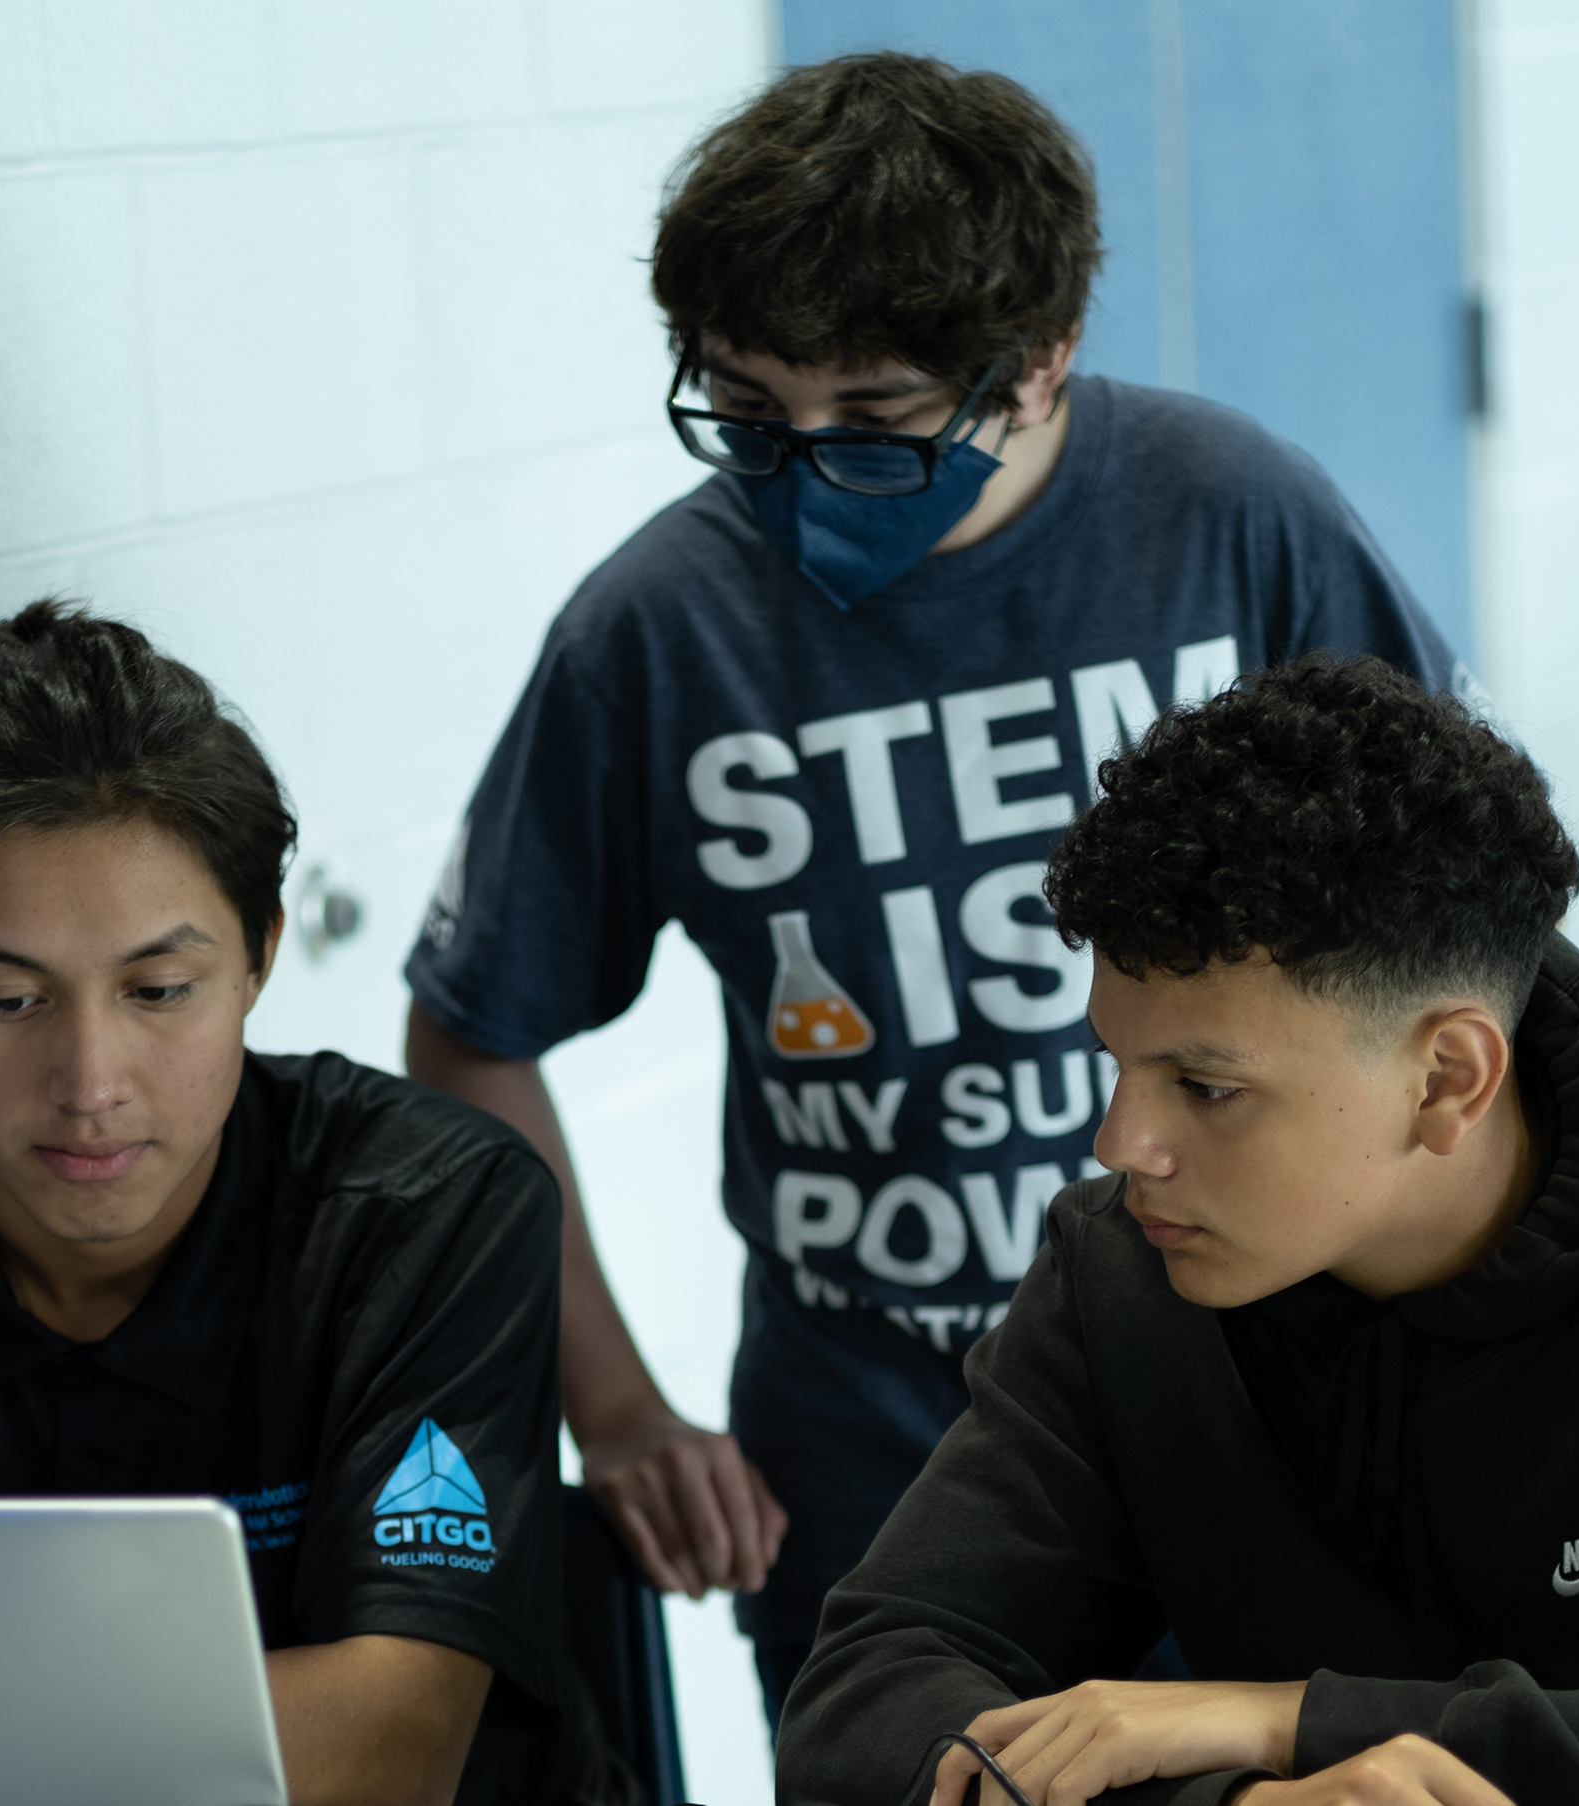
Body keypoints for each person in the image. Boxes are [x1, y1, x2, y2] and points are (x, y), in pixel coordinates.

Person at [402, 51, 1470, 1719]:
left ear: (1038, 369)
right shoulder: (662, 628)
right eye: (746, 412)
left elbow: (1467, 937)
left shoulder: (1234, 518)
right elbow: (471, 1035)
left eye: (880, 424)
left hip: (1274, 1404)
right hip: (872, 1445)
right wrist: (609, 1403)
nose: (803, 471)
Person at [776, 654, 1579, 1806]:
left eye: (1204, 1087)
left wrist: (1290, 1720)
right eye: (1116, 1066)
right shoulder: (1121, 1275)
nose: (1119, 1146)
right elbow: (862, 1706)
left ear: (1446, 1079)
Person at [0, 602, 616, 1806]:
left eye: (158, 989)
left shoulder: (427, 1211)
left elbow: (386, 1750)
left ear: (258, 953)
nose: (91, 1084)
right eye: (8, 1002)